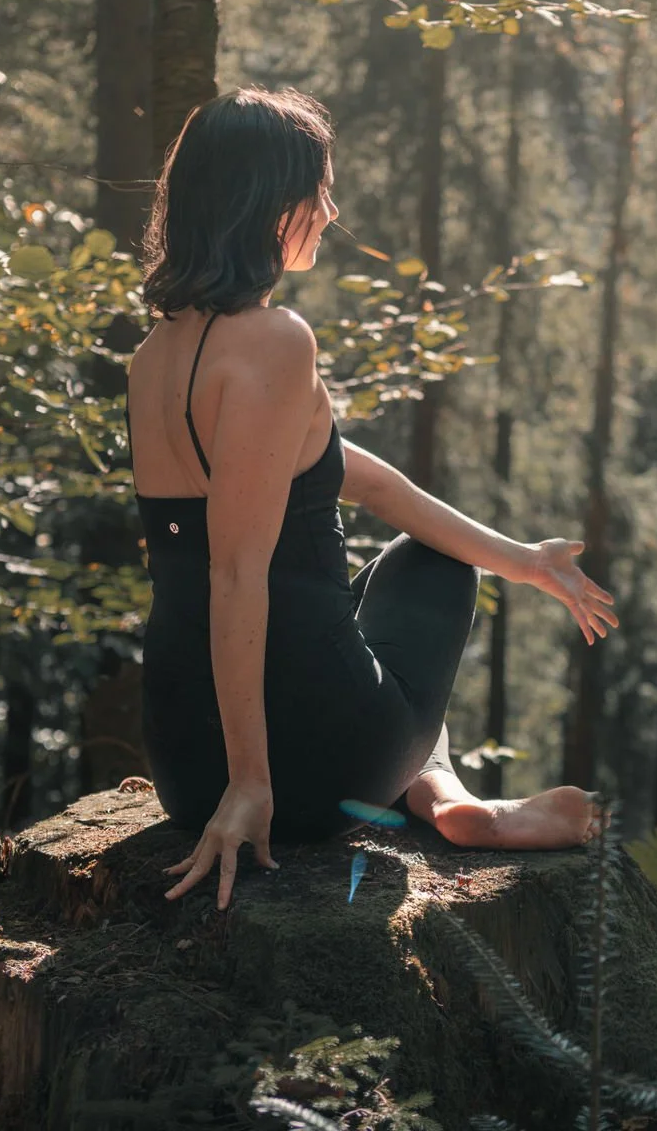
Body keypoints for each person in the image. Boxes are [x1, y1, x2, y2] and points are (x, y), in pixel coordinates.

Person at [125, 88, 619, 909]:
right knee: (431, 568)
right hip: (312, 766)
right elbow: (238, 575)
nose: (331, 209)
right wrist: (254, 784)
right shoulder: (276, 342)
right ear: (268, 203)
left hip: (182, 764)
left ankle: (435, 793)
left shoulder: (152, 356)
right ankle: (445, 797)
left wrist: (528, 563)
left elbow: (372, 482)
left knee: (379, 574)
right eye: (318, 189)